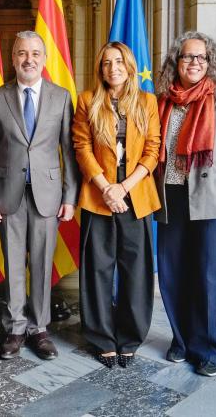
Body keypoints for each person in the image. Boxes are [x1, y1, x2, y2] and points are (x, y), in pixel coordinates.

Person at [154, 31, 216, 377]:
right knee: (173, 272)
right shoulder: (164, 98)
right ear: (175, 62)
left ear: (210, 63)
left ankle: (213, 350)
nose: (194, 63)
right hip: (171, 197)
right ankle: (182, 339)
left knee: (210, 275)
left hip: (211, 200)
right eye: (187, 57)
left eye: (200, 57)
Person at [0, 30, 79, 361]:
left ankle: (39, 329)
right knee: (13, 262)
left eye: (35, 54)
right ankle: (15, 328)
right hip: (8, 194)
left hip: (48, 195)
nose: (28, 60)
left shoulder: (62, 97)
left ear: (44, 59)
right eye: (22, 53)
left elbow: (70, 151)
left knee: (40, 262)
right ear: (13, 58)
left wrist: (69, 196)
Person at [71, 41, 160, 368]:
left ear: (129, 66)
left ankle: (130, 337)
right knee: (97, 270)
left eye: (119, 62)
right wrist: (106, 187)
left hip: (135, 196)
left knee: (136, 271)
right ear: (101, 69)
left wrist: (124, 186)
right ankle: (101, 337)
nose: (113, 68)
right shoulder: (87, 100)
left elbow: (153, 150)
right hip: (99, 196)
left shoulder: (148, 102)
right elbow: (81, 147)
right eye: (107, 63)